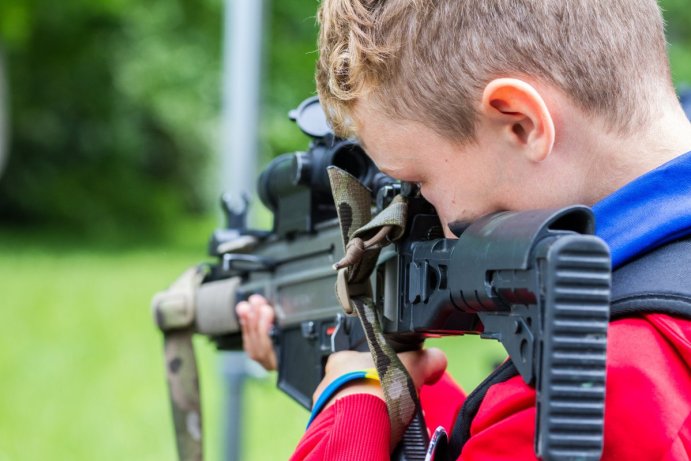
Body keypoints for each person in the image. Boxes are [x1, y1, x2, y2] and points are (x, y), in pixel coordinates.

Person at [237, 0, 691, 459]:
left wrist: (350, 409)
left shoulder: (595, 386)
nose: (426, 219)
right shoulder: (645, 344)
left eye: (419, 182)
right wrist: (389, 380)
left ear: (520, 125)